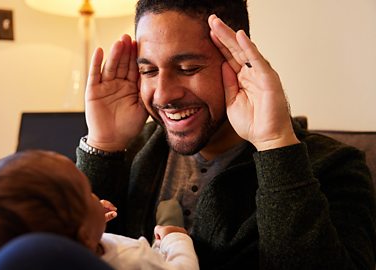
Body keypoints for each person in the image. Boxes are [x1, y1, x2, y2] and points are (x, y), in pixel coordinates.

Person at [76, 0, 376, 269]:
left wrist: (275, 146)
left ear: (236, 58)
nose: (164, 94)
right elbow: (63, 251)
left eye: (188, 68)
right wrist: (103, 146)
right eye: (149, 71)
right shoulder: (129, 151)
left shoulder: (336, 166)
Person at [0, 150, 199, 270]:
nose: (97, 197)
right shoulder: (128, 262)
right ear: (82, 236)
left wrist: (89, 215)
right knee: (168, 219)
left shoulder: (79, 241)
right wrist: (176, 238)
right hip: (160, 254)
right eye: (86, 193)